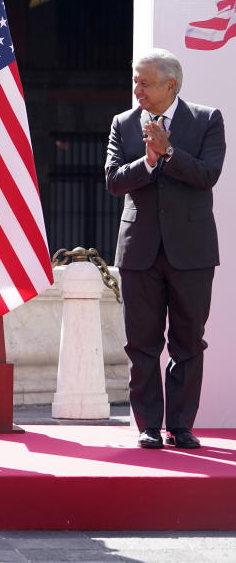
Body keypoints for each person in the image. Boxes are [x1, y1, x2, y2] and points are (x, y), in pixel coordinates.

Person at [105, 48, 225, 450]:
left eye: (144, 81)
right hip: (139, 249)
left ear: (170, 85)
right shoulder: (123, 124)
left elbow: (208, 175)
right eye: (135, 80)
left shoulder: (207, 120)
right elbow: (114, 181)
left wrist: (170, 153)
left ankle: (181, 425)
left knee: (188, 341)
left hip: (191, 251)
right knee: (141, 343)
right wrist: (150, 162)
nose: (136, 88)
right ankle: (148, 427)